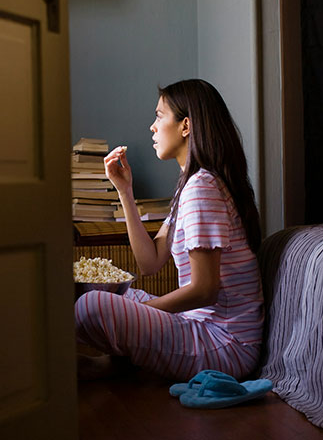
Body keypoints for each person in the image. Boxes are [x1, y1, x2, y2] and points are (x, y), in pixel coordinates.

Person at [75, 79, 263, 381]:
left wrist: (148, 311)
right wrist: (125, 191)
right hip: (201, 327)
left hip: (225, 344)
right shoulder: (190, 187)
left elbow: (204, 290)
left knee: (92, 306)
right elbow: (150, 263)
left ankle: (109, 364)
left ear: (185, 126)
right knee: (107, 293)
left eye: (160, 115)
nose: (152, 126)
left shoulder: (203, 188)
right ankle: (125, 363)